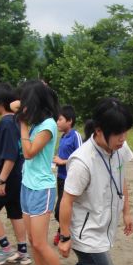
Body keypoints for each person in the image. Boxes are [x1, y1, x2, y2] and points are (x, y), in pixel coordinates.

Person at [41, 98, 133, 265]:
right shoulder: (82, 161)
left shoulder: (120, 148)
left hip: (104, 225)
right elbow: (67, 200)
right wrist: (64, 237)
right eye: (118, 134)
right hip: (85, 231)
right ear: (99, 131)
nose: (123, 139)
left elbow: (122, 177)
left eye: (125, 132)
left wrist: (127, 211)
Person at [17, 79, 65, 265]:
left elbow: (29, 152)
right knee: (32, 240)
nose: (23, 106)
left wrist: (22, 123)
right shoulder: (36, 122)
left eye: (26, 101)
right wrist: (22, 108)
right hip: (27, 185)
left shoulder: (48, 125)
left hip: (42, 190)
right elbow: (14, 105)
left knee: (40, 242)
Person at [0, 82, 31, 265]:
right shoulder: (18, 122)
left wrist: (1, 180)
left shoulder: (6, 123)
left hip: (2, 178)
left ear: (0, 103)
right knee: (15, 213)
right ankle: (22, 252)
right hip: (17, 177)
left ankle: (6, 249)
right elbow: (11, 151)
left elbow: (10, 155)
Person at [52, 104, 81, 246]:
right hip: (61, 178)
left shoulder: (75, 136)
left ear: (69, 121)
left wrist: (62, 161)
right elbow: (62, 156)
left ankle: (64, 232)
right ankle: (62, 229)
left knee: (60, 210)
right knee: (61, 209)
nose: (57, 122)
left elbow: (81, 158)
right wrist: (55, 160)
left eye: (60, 119)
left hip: (72, 179)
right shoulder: (63, 137)